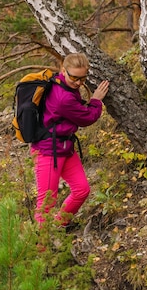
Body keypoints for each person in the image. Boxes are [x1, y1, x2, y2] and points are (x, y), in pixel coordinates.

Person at [31, 53, 109, 226]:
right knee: (46, 204)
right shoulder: (63, 98)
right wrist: (95, 100)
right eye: (74, 77)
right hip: (48, 151)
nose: (79, 83)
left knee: (81, 190)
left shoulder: (61, 83)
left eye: (83, 78)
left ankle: (59, 226)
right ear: (63, 70)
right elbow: (87, 118)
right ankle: (40, 250)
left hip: (65, 147)